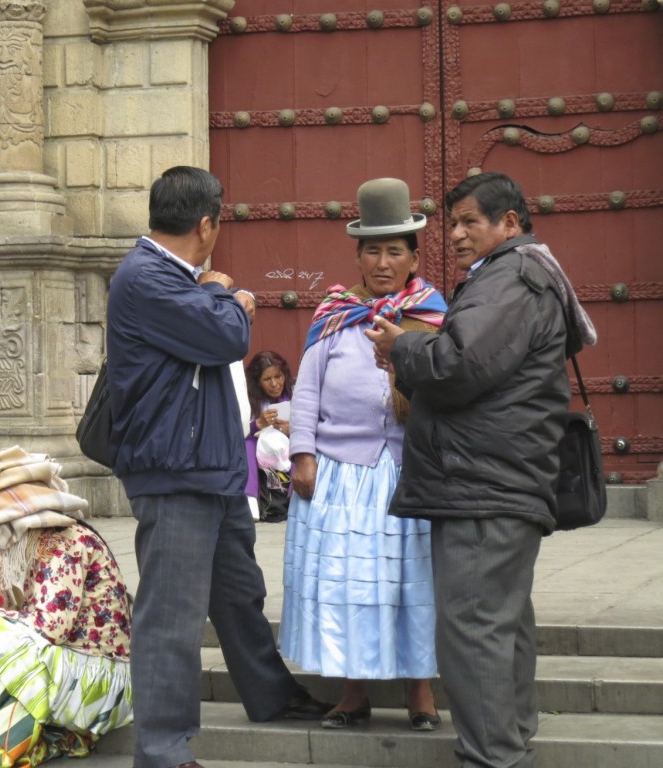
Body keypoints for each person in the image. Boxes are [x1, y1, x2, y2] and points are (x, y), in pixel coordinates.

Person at [366, 172, 595, 768]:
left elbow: (459, 365)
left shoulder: (512, 278)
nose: (459, 235)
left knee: (474, 630)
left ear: (510, 224)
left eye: (472, 222)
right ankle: (510, 743)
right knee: (500, 624)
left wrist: (403, 348)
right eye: (455, 223)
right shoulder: (517, 276)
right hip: (495, 480)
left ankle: (494, 755)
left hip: (484, 485)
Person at [106, 165, 327, 768]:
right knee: (172, 615)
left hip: (212, 463)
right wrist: (228, 295)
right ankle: (164, 749)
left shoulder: (178, 277)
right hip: (175, 469)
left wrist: (209, 289)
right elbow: (228, 336)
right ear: (206, 225)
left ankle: (270, 693)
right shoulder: (149, 276)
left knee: (238, 591)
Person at [282, 178, 448, 732]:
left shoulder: (429, 316)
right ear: (357, 255)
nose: (382, 262)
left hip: (408, 472)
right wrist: (302, 453)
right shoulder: (334, 315)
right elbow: (306, 389)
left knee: (411, 583)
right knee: (350, 586)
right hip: (341, 474)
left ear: (414, 258)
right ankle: (353, 693)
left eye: (394, 251)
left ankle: (421, 695)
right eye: (372, 250)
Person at [0, 447, 132, 767]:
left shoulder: (65, 541)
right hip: (69, 661)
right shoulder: (36, 542)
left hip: (98, 674)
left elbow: (53, 628)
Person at [244, 350, 294, 523]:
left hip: (287, 445)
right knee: (248, 444)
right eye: (267, 379)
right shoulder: (248, 400)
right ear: (257, 382)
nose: (274, 384)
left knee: (302, 441)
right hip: (260, 450)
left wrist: (291, 429)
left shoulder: (295, 394)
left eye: (278, 377)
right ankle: (251, 499)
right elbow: (237, 430)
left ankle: (295, 497)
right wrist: (257, 424)